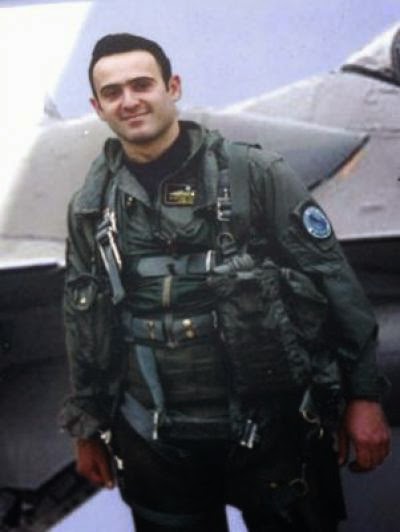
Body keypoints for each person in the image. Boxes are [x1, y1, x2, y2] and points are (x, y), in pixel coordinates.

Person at [60, 33, 391, 531]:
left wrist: (364, 398)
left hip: (274, 430)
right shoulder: (92, 204)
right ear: (97, 107)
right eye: (113, 93)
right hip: (156, 440)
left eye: (142, 85)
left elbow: (333, 282)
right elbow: (83, 319)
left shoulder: (255, 175)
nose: (129, 101)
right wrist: (88, 427)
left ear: (172, 87)